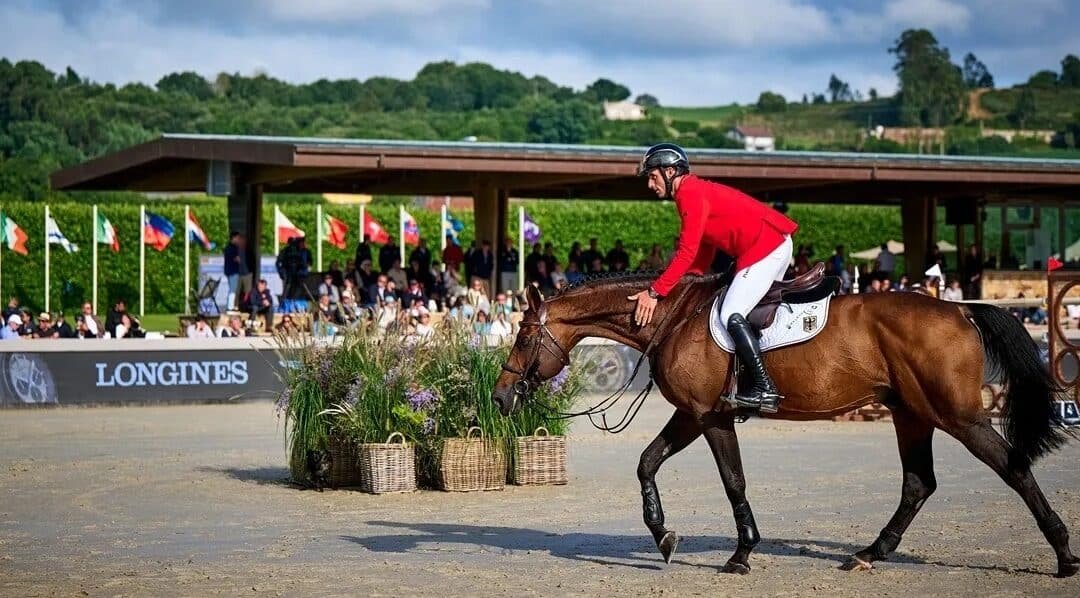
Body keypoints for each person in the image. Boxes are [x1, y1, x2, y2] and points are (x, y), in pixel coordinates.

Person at [628, 143, 797, 414]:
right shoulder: (692, 191)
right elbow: (704, 248)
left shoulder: (689, 193)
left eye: (652, 176)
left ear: (670, 171)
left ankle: (764, 387)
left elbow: (686, 252)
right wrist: (692, 281)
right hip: (769, 244)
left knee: (731, 312)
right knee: (748, 312)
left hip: (766, 246)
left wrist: (654, 292)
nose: (650, 184)